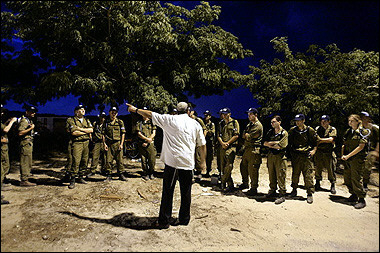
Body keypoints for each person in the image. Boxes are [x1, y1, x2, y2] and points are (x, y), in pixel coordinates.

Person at [126, 102, 206, 229]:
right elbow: (202, 144)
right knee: (186, 192)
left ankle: (164, 221)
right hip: (187, 163)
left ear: (177, 110)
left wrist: (135, 110)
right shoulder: (195, 124)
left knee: (168, 192)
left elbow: (150, 114)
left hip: (172, 163)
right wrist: (202, 162)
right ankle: (184, 219)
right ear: (188, 111)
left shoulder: (169, 119)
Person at [288, 114, 318, 204]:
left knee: (308, 175)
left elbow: (316, 142)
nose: (297, 122)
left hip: (306, 156)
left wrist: (314, 150)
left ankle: (309, 193)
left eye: (299, 120)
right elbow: (289, 142)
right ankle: (294, 189)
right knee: (295, 173)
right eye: (296, 121)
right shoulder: (293, 130)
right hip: (296, 155)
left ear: (303, 120)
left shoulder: (309, 130)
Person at [341, 114, 370, 209]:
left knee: (356, 178)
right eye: (349, 121)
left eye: (352, 121)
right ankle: (353, 195)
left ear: (358, 121)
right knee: (347, 177)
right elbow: (344, 144)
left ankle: (361, 199)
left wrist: (348, 156)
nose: (350, 123)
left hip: (357, 159)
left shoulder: (363, 132)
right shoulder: (349, 132)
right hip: (348, 159)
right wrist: (342, 155)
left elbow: (361, 147)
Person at [66, 105, 93, 189]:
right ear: (76, 112)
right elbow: (74, 133)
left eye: (84, 109)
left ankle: (81, 177)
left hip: (86, 143)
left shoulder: (86, 120)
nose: (83, 111)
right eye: (81, 110)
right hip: (77, 143)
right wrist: (86, 131)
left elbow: (91, 130)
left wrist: (80, 129)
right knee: (76, 161)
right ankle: (72, 179)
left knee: (85, 160)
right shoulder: (71, 120)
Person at [263, 115, 288, 204]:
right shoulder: (270, 132)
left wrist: (272, 144)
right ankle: (272, 190)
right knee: (271, 174)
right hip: (271, 156)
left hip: (280, 158)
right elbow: (265, 143)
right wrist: (274, 143)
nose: (272, 123)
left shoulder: (284, 133)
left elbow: (281, 146)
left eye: (274, 122)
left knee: (280, 175)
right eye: (271, 122)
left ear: (279, 122)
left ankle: (282, 194)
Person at [240, 108, 263, 196]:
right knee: (243, 166)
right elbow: (244, 135)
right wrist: (246, 135)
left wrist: (246, 135)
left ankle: (254, 188)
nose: (249, 116)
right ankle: (245, 183)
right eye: (248, 114)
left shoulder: (258, 125)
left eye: (251, 114)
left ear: (255, 115)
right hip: (247, 148)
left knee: (252, 169)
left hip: (254, 149)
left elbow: (249, 136)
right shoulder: (250, 124)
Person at [217, 107, 240, 193]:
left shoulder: (234, 122)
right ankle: (229, 185)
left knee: (229, 166)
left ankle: (223, 181)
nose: (224, 115)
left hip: (231, 147)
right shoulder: (221, 123)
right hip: (222, 147)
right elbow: (218, 135)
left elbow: (236, 135)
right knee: (222, 167)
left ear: (229, 114)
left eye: (226, 114)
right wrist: (222, 143)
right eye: (223, 114)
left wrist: (228, 143)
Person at [102, 106, 127, 182]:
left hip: (118, 143)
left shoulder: (120, 122)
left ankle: (121, 174)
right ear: (109, 113)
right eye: (112, 112)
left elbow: (123, 133)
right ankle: (109, 175)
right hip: (109, 144)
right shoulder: (106, 123)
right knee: (108, 160)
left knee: (120, 160)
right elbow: (103, 134)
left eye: (115, 113)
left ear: (117, 114)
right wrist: (104, 144)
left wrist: (121, 144)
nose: (113, 114)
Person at [314, 115, 337, 194]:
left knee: (331, 169)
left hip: (329, 152)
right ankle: (317, 183)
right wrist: (323, 140)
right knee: (318, 168)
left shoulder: (332, 129)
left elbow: (331, 139)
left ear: (329, 121)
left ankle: (332, 184)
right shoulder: (317, 129)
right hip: (319, 151)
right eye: (322, 121)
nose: (323, 122)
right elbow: (315, 139)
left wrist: (320, 140)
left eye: (325, 121)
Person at [133, 107, 157, 180]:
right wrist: (146, 140)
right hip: (142, 144)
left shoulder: (152, 122)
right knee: (143, 160)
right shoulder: (139, 123)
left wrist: (148, 140)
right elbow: (139, 133)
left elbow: (154, 133)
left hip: (150, 144)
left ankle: (151, 172)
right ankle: (145, 173)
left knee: (152, 159)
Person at [18, 105, 38, 187]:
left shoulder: (28, 120)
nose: (34, 113)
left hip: (28, 142)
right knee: (25, 161)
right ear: (27, 112)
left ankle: (26, 176)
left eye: (34, 112)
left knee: (28, 160)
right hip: (25, 143)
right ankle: (24, 180)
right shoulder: (24, 121)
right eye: (32, 112)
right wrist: (31, 128)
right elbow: (20, 133)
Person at [1, 105, 17, 204]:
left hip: (3, 148)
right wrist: (11, 122)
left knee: (5, 166)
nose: (2, 113)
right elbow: (5, 130)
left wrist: (7, 122)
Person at [359, 111, 379, 191]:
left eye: (364, 117)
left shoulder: (374, 128)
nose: (363, 119)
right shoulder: (359, 128)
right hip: (361, 150)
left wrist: (377, 151)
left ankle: (365, 184)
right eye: (361, 117)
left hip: (371, 150)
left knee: (367, 168)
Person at [189, 108, 207, 181]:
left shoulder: (198, 120)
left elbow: (205, 129)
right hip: (190, 141)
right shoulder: (187, 120)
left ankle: (199, 172)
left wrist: (201, 139)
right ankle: (191, 173)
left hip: (197, 142)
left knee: (198, 157)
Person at [87, 111, 107, 179]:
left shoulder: (107, 124)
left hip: (105, 142)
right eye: (101, 117)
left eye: (104, 117)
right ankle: (93, 170)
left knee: (105, 157)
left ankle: (104, 170)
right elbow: (91, 130)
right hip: (97, 142)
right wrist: (91, 137)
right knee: (95, 156)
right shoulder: (95, 124)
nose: (102, 118)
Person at [203, 110, 215, 177]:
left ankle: (208, 171)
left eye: (207, 115)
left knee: (209, 158)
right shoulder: (203, 123)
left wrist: (207, 131)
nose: (205, 117)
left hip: (209, 143)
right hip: (203, 143)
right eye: (205, 115)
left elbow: (212, 133)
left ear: (210, 116)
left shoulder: (211, 124)